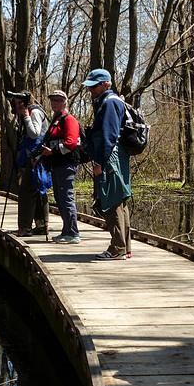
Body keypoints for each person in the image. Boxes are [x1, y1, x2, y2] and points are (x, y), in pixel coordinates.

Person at [82, 69, 132, 260]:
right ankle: (124, 248)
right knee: (120, 200)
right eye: (90, 86)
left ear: (106, 84)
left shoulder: (109, 102)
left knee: (112, 202)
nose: (91, 90)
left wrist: (99, 163)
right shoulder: (111, 101)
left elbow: (108, 137)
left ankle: (116, 249)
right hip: (116, 156)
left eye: (94, 86)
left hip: (110, 157)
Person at [40, 90, 81, 244]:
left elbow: (71, 143)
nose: (55, 103)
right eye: (53, 100)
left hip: (67, 164)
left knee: (66, 197)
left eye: (58, 100)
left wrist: (53, 152)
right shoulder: (56, 120)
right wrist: (41, 156)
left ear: (65, 102)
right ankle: (66, 231)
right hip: (57, 165)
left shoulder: (68, 119)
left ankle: (72, 233)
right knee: (60, 197)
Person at [14, 91, 50, 237]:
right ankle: (41, 226)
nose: (18, 106)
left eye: (20, 103)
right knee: (38, 190)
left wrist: (26, 117)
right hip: (34, 156)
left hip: (37, 158)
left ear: (28, 102)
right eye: (16, 103)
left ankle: (25, 227)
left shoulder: (34, 113)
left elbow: (34, 134)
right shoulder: (33, 111)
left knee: (27, 192)